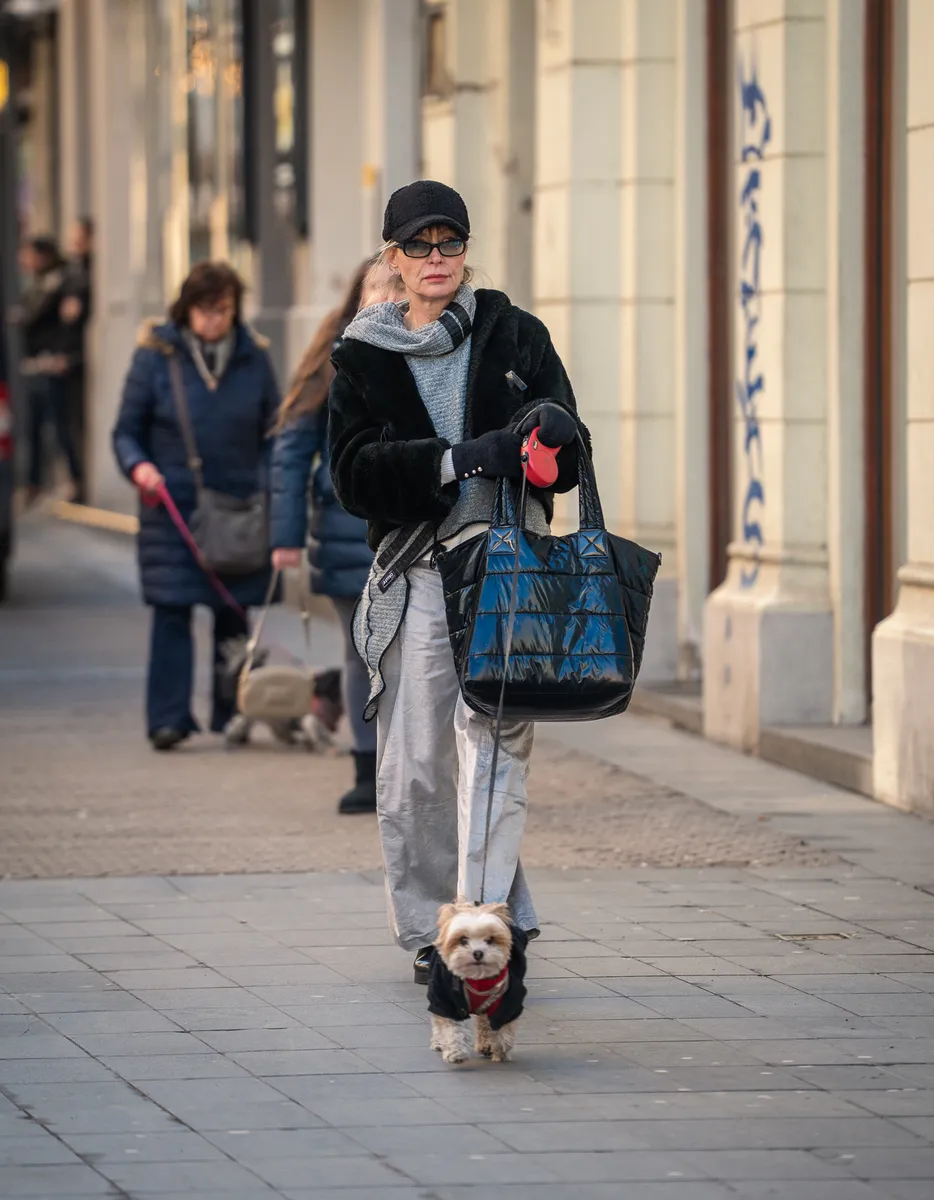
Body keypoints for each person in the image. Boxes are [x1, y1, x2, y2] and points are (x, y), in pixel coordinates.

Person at [328, 180, 587, 982]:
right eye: (418, 246)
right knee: (413, 766)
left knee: (496, 752)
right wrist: (454, 459)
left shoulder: (515, 334)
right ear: (393, 258)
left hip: (506, 569)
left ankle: (481, 930)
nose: (436, 259)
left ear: (466, 250)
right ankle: (426, 929)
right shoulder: (363, 355)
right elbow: (352, 476)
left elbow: (567, 454)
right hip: (418, 574)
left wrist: (552, 432)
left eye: (449, 243)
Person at [112, 261, 280, 751]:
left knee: (233, 613)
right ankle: (168, 718)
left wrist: (268, 483)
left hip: (238, 507)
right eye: (205, 311)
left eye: (223, 310)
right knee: (171, 610)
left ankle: (233, 712)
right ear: (187, 309)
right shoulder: (155, 357)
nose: (213, 321)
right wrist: (138, 467)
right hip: (173, 509)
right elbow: (126, 431)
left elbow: (274, 430)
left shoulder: (254, 357)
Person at [270, 259, 401, 814]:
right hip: (347, 528)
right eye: (380, 286)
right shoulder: (334, 356)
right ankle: (366, 767)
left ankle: (413, 769)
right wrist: (286, 536)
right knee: (361, 653)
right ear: (358, 296)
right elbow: (291, 451)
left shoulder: (432, 348)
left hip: (413, 530)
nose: (390, 296)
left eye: (398, 285)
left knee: (416, 658)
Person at [13, 236, 81, 503]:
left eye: (29, 255)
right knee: (33, 428)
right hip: (35, 365)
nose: (25, 261)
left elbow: (39, 317)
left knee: (60, 426)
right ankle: (34, 484)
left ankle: (73, 479)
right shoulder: (36, 284)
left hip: (52, 364)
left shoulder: (60, 282)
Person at [59, 218, 95, 502]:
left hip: (77, 357)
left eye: (78, 236)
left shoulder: (88, 271)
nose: (74, 242)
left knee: (74, 422)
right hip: (69, 355)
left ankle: (80, 480)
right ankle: (76, 478)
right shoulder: (71, 271)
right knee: (67, 423)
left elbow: (72, 312)